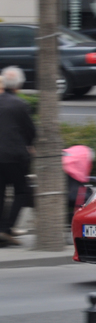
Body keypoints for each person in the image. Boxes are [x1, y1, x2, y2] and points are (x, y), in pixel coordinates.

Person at [0, 66, 37, 247]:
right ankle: (6, 229)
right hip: (15, 156)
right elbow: (30, 131)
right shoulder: (21, 105)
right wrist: (29, 145)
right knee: (21, 191)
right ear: (19, 85)